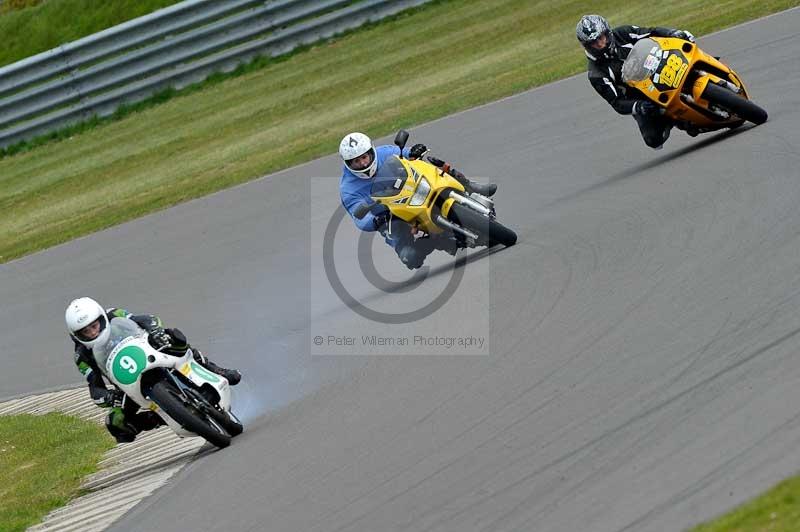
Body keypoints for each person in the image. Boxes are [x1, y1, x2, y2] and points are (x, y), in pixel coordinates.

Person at [65, 297, 241, 443]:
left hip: (149, 352)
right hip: (128, 385)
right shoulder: (81, 356)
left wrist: (155, 331)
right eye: (85, 332)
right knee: (115, 423)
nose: (92, 333)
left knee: (174, 338)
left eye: (94, 326)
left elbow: (146, 319)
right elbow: (95, 389)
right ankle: (164, 417)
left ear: (102, 318)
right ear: (76, 335)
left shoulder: (114, 314)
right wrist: (109, 397)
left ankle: (216, 370)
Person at [339, 132, 497, 269]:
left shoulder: (384, 152)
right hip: (391, 216)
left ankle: (470, 186)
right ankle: (434, 241)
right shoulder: (347, 189)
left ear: (371, 152)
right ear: (348, 164)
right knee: (411, 257)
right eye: (356, 161)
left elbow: (407, 155)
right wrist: (376, 221)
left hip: (410, 190)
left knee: (432, 165)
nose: (363, 163)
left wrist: (415, 151)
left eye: (364, 157)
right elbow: (358, 217)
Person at [576, 14, 697, 149]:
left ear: (607, 32)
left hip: (660, 65)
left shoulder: (623, 33)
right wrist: (639, 106)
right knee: (653, 139)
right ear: (587, 46)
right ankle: (676, 120)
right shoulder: (597, 74)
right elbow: (617, 102)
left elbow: (651, 32)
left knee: (688, 54)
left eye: (601, 37)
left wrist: (673, 33)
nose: (600, 43)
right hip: (640, 95)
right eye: (594, 42)